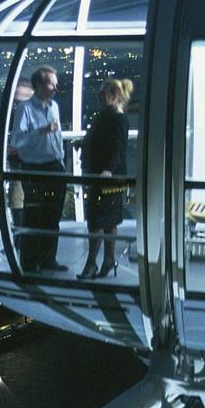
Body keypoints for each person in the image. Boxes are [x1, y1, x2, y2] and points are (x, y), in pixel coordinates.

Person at [11, 66, 66, 272]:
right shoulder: (25, 109)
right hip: (35, 169)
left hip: (55, 167)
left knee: (53, 216)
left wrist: (60, 160)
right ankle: (30, 262)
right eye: (51, 83)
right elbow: (17, 140)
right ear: (39, 85)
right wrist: (41, 131)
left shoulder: (54, 107)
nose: (55, 87)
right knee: (34, 216)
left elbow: (57, 136)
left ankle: (48, 260)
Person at [78, 78, 132, 280]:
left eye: (103, 94)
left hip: (106, 177)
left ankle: (91, 264)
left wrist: (108, 170)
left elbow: (118, 148)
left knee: (96, 220)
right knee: (108, 220)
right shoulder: (111, 117)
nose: (99, 97)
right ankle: (107, 260)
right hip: (109, 177)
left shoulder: (115, 119)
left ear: (115, 96)